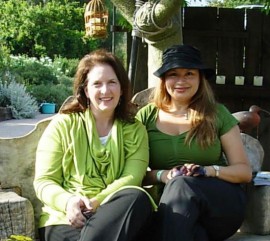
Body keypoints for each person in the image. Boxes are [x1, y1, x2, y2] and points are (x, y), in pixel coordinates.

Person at [34, 49, 154, 241]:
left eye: (112, 82)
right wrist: (69, 202)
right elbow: (44, 181)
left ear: (122, 88)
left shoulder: (135, 129)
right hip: (66, 218)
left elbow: (132, 177)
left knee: (136, 197)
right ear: (85, 90)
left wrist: (96, 202)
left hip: (115, 215)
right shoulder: (63, 124)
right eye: (97, 84)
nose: (105, 91)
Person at [136, 44, 252, 241]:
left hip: (219, 206)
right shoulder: (146, 116)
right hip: (174, 210)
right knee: (192, 233)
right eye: (173, 74)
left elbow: (244, 172)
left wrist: (207, 170)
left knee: (182, 184)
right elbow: (135, 172)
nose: (181, 81)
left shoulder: (217, 114)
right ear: (164, 80)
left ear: (200, 78)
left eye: (189, 73)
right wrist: (164, 175)